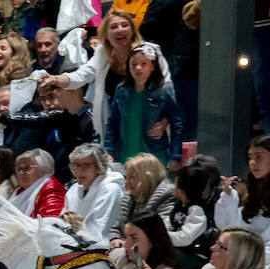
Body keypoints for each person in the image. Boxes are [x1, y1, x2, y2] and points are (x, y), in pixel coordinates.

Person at [43, 11, 173, 155]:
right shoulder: (101, 53)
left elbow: (168, 90)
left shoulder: (151, 51)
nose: (120, 30)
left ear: (132, 30)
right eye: (113, 27)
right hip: (117, 127)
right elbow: (81, 75)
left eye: (124, 25)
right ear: (106, 34)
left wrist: (165, 121)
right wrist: (55, 79)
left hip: (149, 125)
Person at [216, 135, 270, 264]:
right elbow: (229, 227)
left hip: (269, 260)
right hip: (244, 256)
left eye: (259, 156)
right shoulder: (254, 188)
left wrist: (250, 255)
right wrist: (228, 197)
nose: (252, 162)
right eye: (250, 157)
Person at [105, 46, 184, 167]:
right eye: (133, 64)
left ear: (153, 66)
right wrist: (109, 151)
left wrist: (175, 155)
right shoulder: (121, 90)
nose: (138, 68)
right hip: (126, 155)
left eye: (143, 64)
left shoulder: (163, 90)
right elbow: (112, 123)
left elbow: (176, 124)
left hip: (154, 156)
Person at [110, 213, 186, 269]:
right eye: (126, 237)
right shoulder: (120, 259)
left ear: (152, 240)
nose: (126, 243)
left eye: (134, 238)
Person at [63, 145, 124, 242]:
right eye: (76, 165)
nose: (79, 170)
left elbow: (98, 233)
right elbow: (62, 223)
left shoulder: (111, 190)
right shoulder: (74, 190)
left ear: (100, 166)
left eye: (86, 165)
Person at [181, 227, 265, 269]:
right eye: (216, 243)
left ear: (237, 256)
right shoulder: (209, 268)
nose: (212, 248)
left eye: (220, 246)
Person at [116, 153, 177, 232]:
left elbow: (161, 232)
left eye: (132, 177)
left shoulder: (167, 196)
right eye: (126, 178)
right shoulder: (130, 197)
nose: (126, 184)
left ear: (148, 178)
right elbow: (116, 228)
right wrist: (115, 238)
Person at [11, 149, 65, 217]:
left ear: (43, 169)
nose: (21, 173)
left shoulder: (52, 189)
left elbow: (49, 222)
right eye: (19, 169)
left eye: (27, 168)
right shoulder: (20, 189)